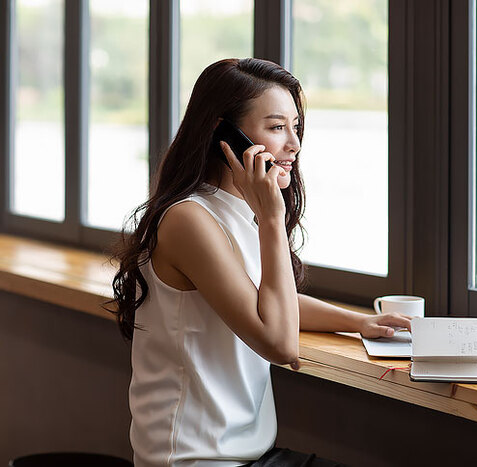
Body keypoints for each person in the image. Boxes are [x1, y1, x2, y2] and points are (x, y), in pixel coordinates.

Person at [106, 58, 413, 466]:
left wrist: (356, 322)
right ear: (225, 134)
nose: (294, 145)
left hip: (246, 455)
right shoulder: (189, 219)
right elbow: (280, 343)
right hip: (196, 460)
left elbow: (261, 299)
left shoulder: (235, 208)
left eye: (296, 126)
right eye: (276, 127)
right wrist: (271, 218)